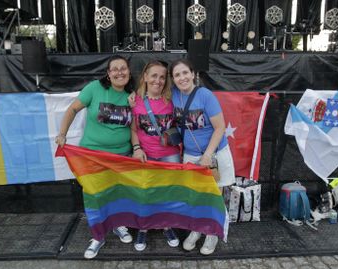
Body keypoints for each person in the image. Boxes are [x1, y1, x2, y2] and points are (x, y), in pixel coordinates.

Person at [55, 55, 134, 259]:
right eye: (114, 69)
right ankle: (98, 236)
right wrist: (62, 134)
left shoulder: (133, 95)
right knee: (94, 196)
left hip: (122, 157)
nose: (119, 72)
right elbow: (72, 109)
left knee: (118, 193)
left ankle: (118, 226)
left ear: (129, 72)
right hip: (93, 156)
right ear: (108, 73)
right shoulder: (94, 89)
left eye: (123, 68)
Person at [169, 59, 235, 255]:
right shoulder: (173, 95)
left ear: (193, 74)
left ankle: (213, 233)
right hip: (190, 156)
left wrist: (208, 154)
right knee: (196, 197)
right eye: (177, 75)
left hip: (214, 154)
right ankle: (197, 229)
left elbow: (220, 127)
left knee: (215, 196)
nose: (182, 78)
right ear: (173, 79)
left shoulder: (205, 95)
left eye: (185, 73)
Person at [130, 60, 181, 251]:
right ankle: (143, 228)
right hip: (146, 155)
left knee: (167, 192)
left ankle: (166, 225)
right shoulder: (135, 101)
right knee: (145, 192)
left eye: (162, 77)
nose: (158, 81)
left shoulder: (173, 98)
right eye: (153, 76)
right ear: (145, 77)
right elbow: (133, 129)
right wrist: (136, 148)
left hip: (170, 155)